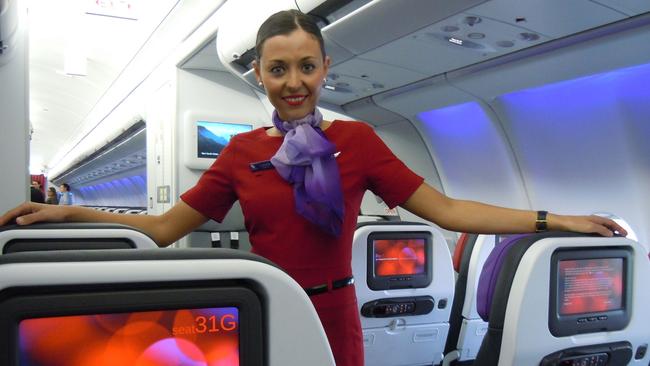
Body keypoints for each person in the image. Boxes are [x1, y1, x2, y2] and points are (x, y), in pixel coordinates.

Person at [0, 10, 627, 366]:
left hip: (339, 309)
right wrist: (68, 217)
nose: (293, 82)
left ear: (326, 69)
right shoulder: (243, 154)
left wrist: (557, 221)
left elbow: (449, 209)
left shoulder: (357, 143)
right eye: (278, 69)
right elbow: (165, 228)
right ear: (260, 76)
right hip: (270, 304)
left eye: (306, 67)